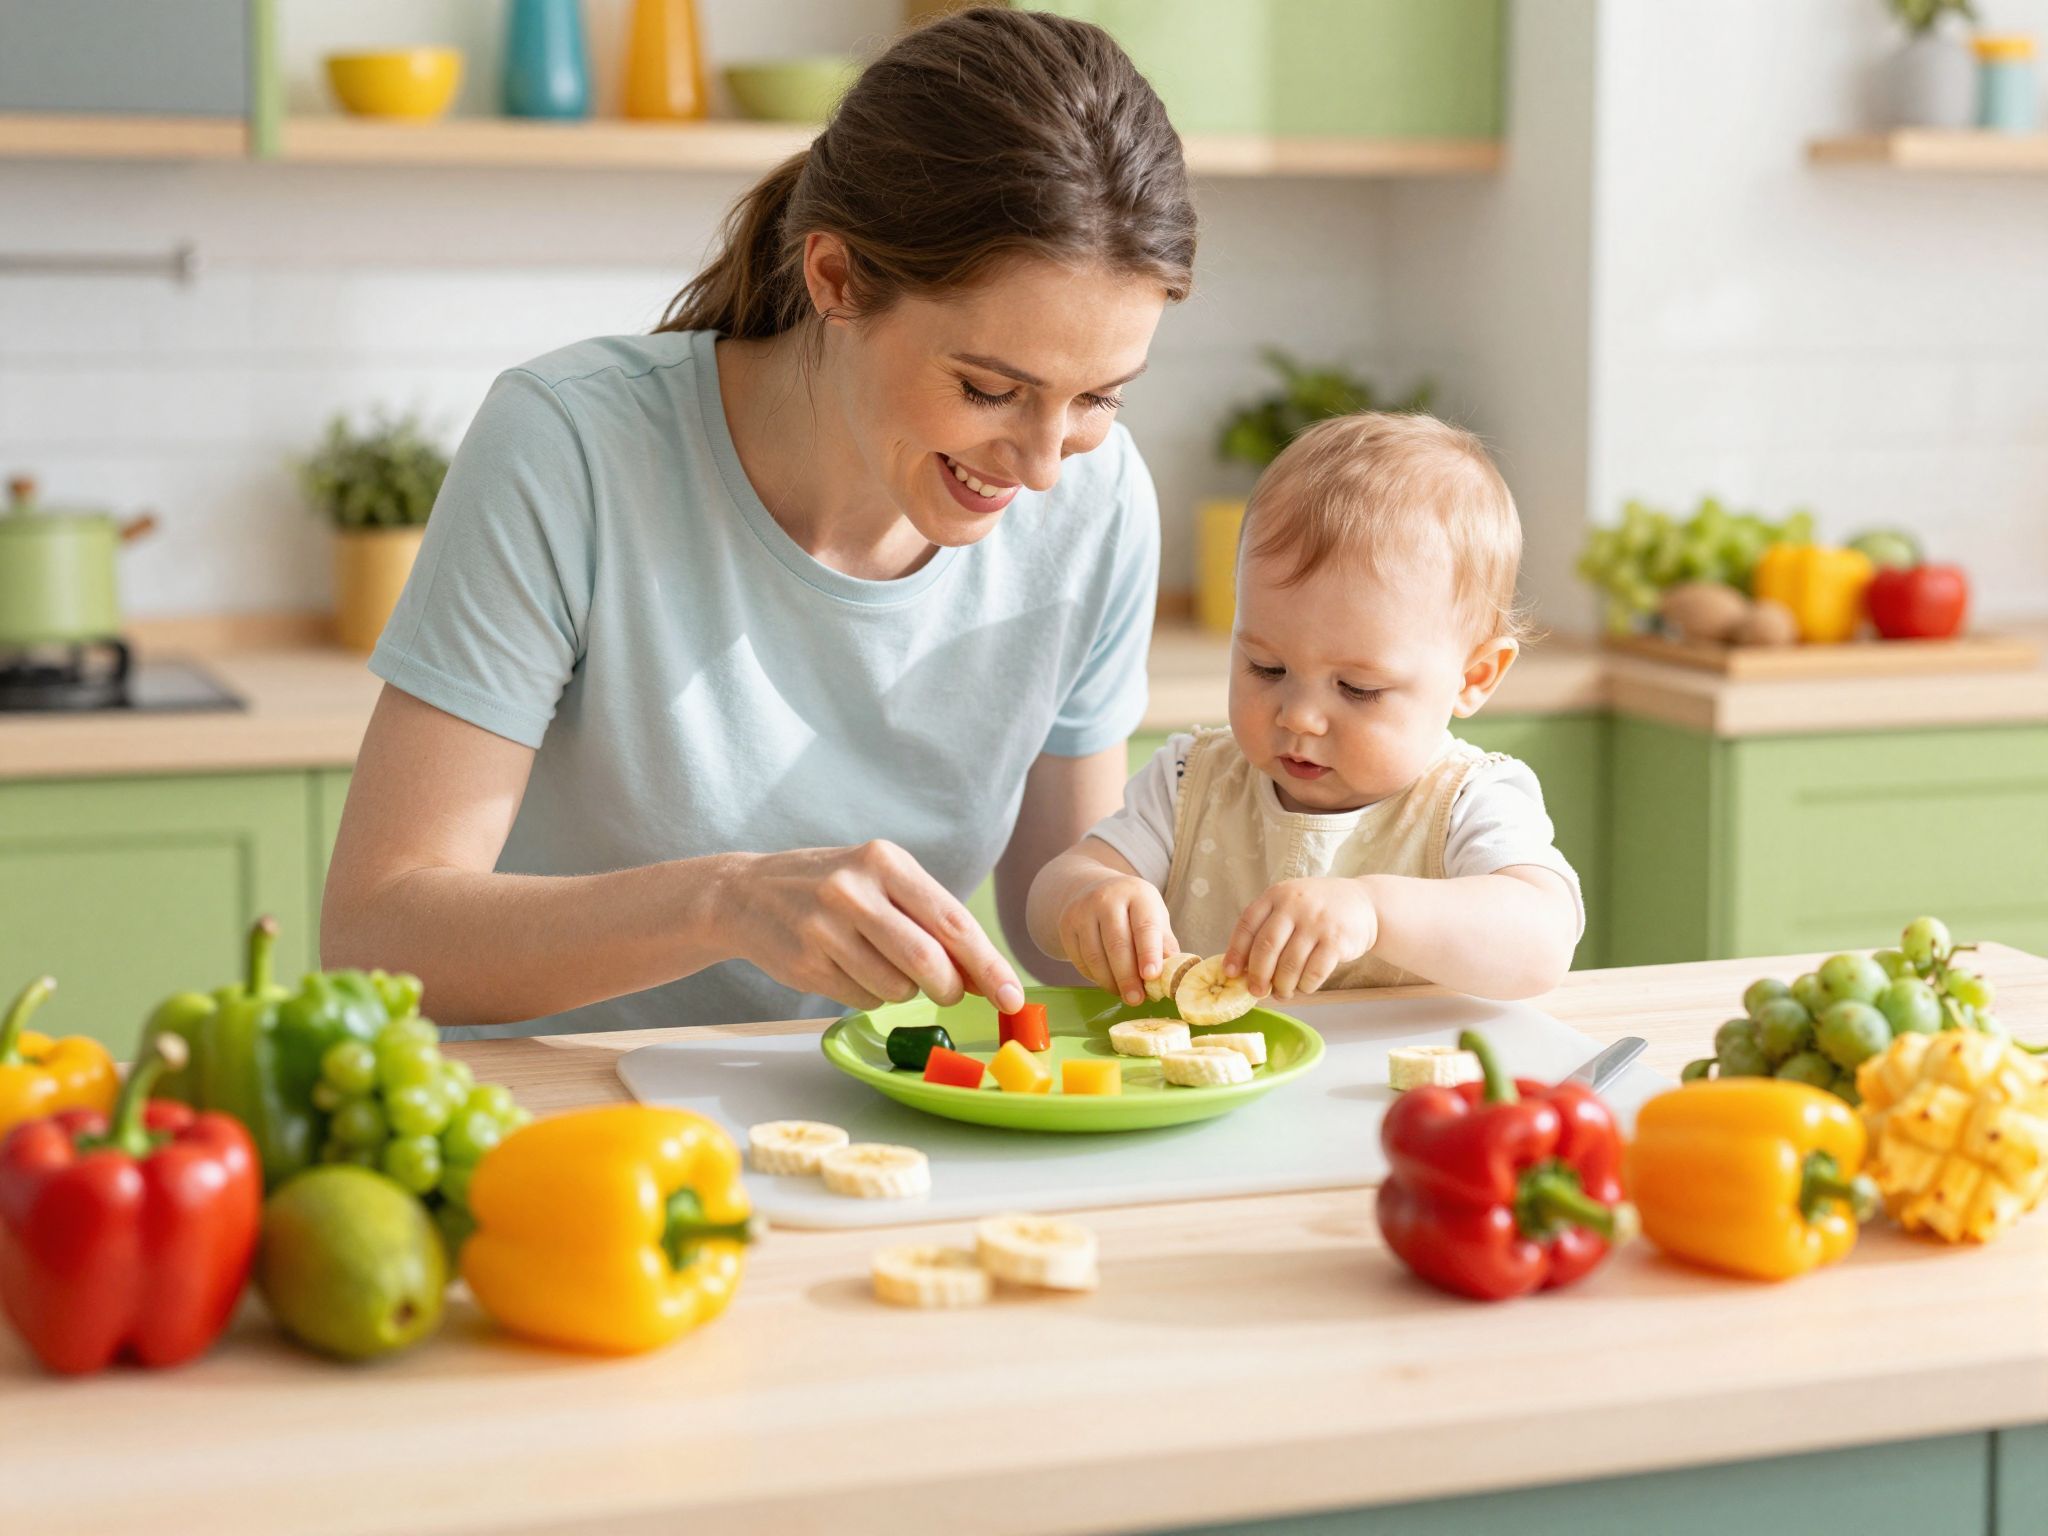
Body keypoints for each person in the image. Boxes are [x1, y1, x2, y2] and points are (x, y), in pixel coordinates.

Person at [320, 7, 1197, 1036]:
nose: (1046, 465)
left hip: (865, 1126)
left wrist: (1223, 891)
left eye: (1098, 397)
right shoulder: (574, 447)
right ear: (833, 276)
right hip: (555, 1135)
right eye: (987, 389)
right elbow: (378, 935)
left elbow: (1056, 927)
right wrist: (725, 903)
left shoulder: (1096, 503)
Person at [1028, 412, 1584, 1007]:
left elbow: (1543, 941)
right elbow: (1046, 901)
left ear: (1473, 678)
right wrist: (1092, 895)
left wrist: (1374, 910)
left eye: (1357, 687)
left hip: (1394, 1095)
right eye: (1267, 669)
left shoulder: (1467, 801)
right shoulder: (1191, 781)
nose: (1299, 717)